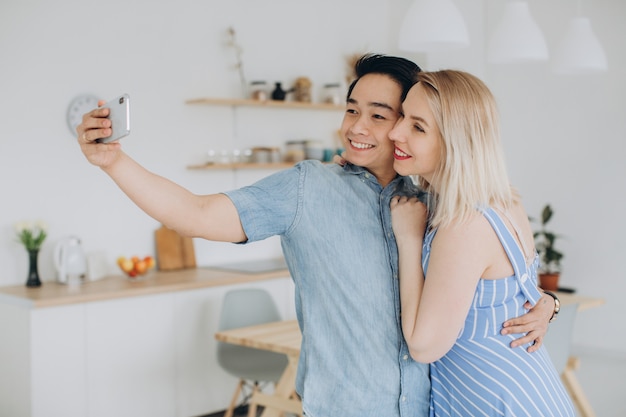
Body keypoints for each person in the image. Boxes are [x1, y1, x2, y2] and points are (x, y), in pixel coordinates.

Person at [77, 55, 555, 417]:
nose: (357, 127)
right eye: (352, 110)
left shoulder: (434, 201)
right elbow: (196, 214)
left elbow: (487, 285)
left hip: (429, 406)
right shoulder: (308, 186)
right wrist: (114, 161)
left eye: (380, 115)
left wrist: (544, 304)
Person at [388, 69, 574, 416]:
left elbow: (424, 346)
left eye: (417, 126)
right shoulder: (503, 199)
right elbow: (521, 296)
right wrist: (548, 302)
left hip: (498, 402)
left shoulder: (464, 224)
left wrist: (409, 240)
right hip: (522, 390)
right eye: (401, 117)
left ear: (455, 140)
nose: (395, 132)